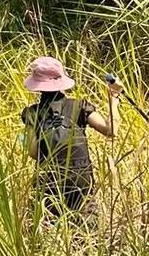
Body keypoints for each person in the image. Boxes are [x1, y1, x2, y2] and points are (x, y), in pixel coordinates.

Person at [20, 55, 120, 213]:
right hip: (81, 178)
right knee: (86, 227)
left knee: (48, 227)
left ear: (38, 86)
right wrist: (113, 99)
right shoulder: (80, 106)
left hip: (49, 180)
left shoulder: (32, 113)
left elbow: (33, 152)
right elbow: (111, 131)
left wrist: (23, 138)